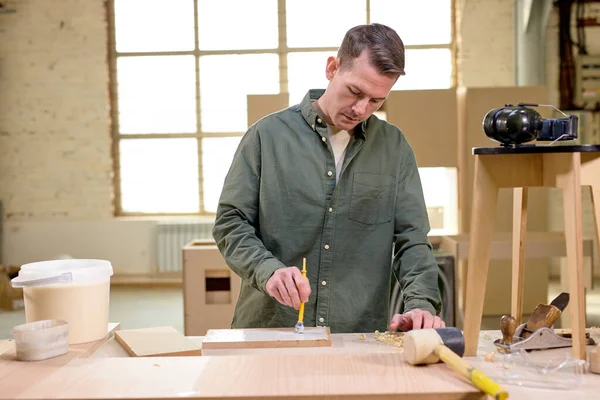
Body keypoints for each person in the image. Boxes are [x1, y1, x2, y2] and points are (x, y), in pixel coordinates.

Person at [212, 23, 444, 334]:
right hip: (271, 328)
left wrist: (421, 303)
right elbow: (231, 222)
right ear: (332, 68)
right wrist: (267, 272)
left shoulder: (394, 147)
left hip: (358, 333)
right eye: (355, 91)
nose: (361, 109)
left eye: (376, 100)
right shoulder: (266, 137)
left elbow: (411, 239)